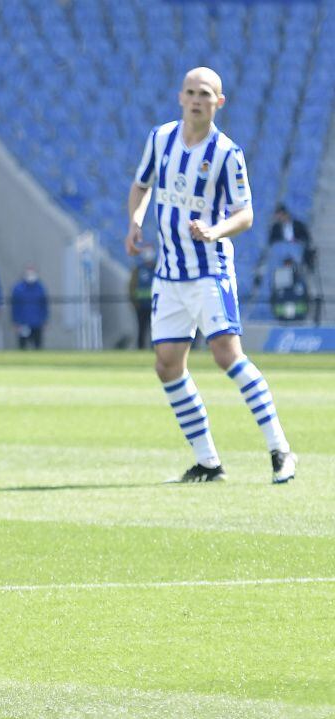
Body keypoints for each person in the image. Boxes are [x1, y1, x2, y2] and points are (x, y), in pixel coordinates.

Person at [125, 66, 295, 484]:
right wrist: (135, 222)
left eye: (205, 93)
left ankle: (281, 450)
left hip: (208, 271)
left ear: (219, 102)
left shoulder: (226, 153)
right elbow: (140, 185)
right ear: (180, 97)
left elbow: (247, 214)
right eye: (190, 92)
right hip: (168, 275)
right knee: (167, 365)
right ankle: (208, 462)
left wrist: (215, 230)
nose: (196, 99)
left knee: (225, 354)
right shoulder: (160, 138)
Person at [10, 266, 48, 349]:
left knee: (37, 346)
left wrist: (45, 320)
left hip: (37, 323)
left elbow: (44, 305)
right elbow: (15, 307)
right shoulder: (18, 288)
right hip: (23, 323)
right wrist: (15, 321)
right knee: (22, 346)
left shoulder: (40, 287)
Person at [268, 203, 314, 271]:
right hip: (282, 250)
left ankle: (296, 270)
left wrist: (298, 241)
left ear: (286, 214)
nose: (280, 218)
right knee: (277, 251)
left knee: (295, 249)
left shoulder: (298, 225)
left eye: (281, 215)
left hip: (295, 248)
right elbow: (271, 242)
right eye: (278, 216)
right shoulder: (276, 228)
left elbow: (306, 238)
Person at [129, 246, 157, 349]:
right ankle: (141, 348)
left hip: (154, 305)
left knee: (155, 329)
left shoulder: (157, 268)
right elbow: (132, 287)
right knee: (142, 329)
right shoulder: (138, 269)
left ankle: (155, 348)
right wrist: (135, 302)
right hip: (141, 305)